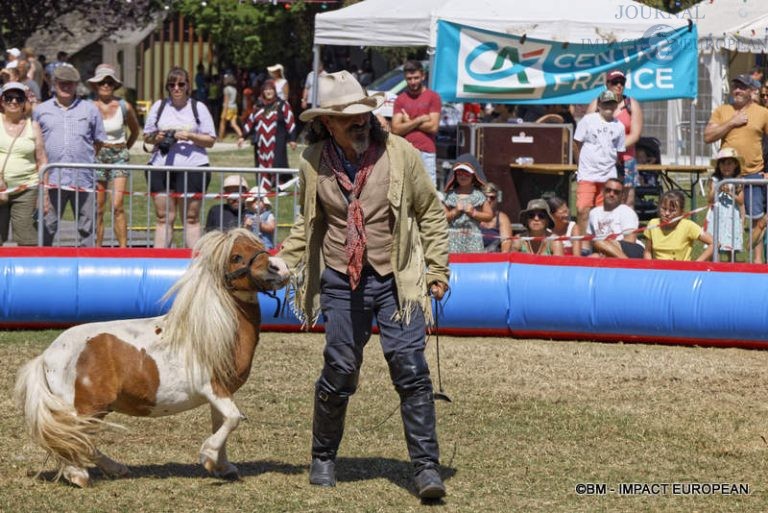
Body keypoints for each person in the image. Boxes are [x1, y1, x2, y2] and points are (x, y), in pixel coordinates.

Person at [278, 70, 450, 500]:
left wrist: (437, 269)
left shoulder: (401, 153)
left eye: (362, 114)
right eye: (348, 116)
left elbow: (430, 211)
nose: (359, 121)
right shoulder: (312, 160)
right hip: (339, 278)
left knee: (411, 370)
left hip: (395, 279)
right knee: (339, 369)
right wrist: (283, 260)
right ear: (327, 123)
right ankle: (323, 456)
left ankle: (427, 469)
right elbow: (307, 221)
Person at [143, 66, 216, 249]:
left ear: (188, 86)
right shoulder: (158, 106)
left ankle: (193, 262)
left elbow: (210, 140)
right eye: (172, 84)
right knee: (163, 218)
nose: (176, 88)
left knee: (191, 218)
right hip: (161, 166)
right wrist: (157, 137)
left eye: (181, 84)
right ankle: (159, 261)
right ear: (167, 86)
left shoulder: (198, 108)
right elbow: (147, 136)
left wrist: (190, 136)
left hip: (193, 167)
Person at [34, 65, 106, 246]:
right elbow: (36, 145)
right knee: (47, 225)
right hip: (52, 179)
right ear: (54, 84)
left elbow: (98, 141)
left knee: (87, 227)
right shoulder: (41, 110)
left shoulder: (90, 110)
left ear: (76, 85)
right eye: (62, 84)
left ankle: (88, 267)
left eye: (70, 84)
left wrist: (83, 157)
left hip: (82, 178)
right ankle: (45, 265)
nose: (66, 87)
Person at [704, 72, 768, 263]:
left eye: (742, 87)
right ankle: (721, 260)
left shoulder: (762, 112)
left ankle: (756, 262)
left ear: (751, 91)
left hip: (754, 173)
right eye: (735, 86)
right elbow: (708, 136)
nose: (737, 90)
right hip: (727, 174)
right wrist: (732, 122)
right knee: (723, 215)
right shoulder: (722, 110)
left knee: (756, 219)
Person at [88, 64, 140, 248]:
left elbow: (135, 130)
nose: (106, 85)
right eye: (102, 81)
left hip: (119, 154)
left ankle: (123, 249)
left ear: (114, 85)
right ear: (95, 85)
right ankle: (98, 248)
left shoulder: (124, 106)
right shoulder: (89, 106)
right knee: (98, 207)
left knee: (117, 205)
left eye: (109, 82)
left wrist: (125, 148)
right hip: (97, 156)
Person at [587, 70, 643, 208]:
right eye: (615, 82)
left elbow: (635, 135)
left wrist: (614, 148)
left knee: (627, 202)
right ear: (607, 84)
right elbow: (587, 131)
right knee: (602, 200)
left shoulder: (631, 104)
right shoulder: (596, 104)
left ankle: (626, 230)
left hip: (627, 161)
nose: (619, 85)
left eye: (622, 82)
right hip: (602, 161)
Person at [574, 89, 626, 238]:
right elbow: (576, 143)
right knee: (582, 209)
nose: (608, 106)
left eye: (612, 103)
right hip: (587, 174)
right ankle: (583, 245)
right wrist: (580, 165)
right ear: (599, 105)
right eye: (605, 103)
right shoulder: (588, 120)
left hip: (608, 176)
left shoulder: (619, 126)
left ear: (616, 106)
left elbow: (619, 151)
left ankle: (600, 244)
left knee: (604, 213)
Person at [0, 82, 47, 246]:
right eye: (9, 98)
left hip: (27, 189)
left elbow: (42, 160)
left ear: (24, 103)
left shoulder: (33, 126)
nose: (13, 102)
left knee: (28, 240)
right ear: (1, 101)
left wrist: (45, 195)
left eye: (18, 98)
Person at [237, 80, 297, 188]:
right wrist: (242, 136)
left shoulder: (282, 105)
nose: (268, 92)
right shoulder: (258, 107)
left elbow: (290, 122)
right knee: (262, 164)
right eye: (266, 90)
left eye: (270, 89)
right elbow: (250, 122)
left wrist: (292, 139)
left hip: (277, 141)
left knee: (277, 162)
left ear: (274, 91)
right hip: (261, 143)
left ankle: (279, 186)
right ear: (262, 92)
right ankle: (263, 187)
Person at [391, 60, 442, 186]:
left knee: (429, 190)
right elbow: (395, 129)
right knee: (406, 190)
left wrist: (408, 122)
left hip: (426, 151)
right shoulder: (400, 99)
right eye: (409, 78)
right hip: (406, 151)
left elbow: (433, 127)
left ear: (423, 76)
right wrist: (419, 120)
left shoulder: (433, 97)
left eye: (416, 78)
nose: (413, 82)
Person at [644, 190, 714, 261]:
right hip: (657, 270)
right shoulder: (653, 224)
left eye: (672, 210)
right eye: (664, 209)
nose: (667, 213)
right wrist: (649, 267)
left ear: (681, 212)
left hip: (681, 270)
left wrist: (697, 263)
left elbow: (714, 243)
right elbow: (647, 251)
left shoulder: (688, 226)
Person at [443, 154, 493, 253]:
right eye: (459, 173)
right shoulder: (450, 196)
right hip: (453, 239)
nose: (462, 176)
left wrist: (474, 213)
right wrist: (454, 212)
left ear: (473, 175)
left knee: (473, 266)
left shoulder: (478, 195)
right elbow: (441, 217)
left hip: (473, 239)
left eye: (466, 174)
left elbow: (489, 216)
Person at [586, 178, 644, 259]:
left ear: (622, 196)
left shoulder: (626, 211)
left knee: (599, 242)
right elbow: (589, 240)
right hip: (604, 250)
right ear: (603, 191)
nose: (611, 194)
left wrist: (607, 248)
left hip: (631, 249)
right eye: (608, 190)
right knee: (592, 257)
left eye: (616, 192)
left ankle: (628, 264)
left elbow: (630, 240)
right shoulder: (594, 213)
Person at [706, 147, 745, 257]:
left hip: (732, 216)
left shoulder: (738, 180)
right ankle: (716, 268)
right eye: (722, 164)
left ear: (736, 165)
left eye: (729, 164)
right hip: (717, 216)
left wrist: (730, 193)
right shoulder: (715, 179)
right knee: (715, 244)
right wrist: (717, 189)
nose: (725, 167)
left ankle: (731, 268)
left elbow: (741, 201)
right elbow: (709, 199)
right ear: (718, 165)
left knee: (731, 247)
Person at [480, 182, 513, 252]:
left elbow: (506, 243)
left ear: (497, 199)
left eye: (492, 198)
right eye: (485, 197)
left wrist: (501, 260)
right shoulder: (474, 214)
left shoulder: (502, 218)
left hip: (493, 258)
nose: (488, 200)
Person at [244, 185, 275, 250]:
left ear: (265, 203)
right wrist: (247, 226)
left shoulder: (268, 215)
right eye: (254, 200)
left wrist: (261, 225)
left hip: (265, 245)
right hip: (252, 244)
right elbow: (245, 230)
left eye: (260, 200)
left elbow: (272, 228)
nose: (256, 202)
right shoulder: (248, 215)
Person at [218, 74, 242, 140]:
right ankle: (240, 134)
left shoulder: (226, 89)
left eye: (225, 79)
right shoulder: (234, 89)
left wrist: (224, 111)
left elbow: (226, 101)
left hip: (228, 107)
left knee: (222, 122)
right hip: (234, 107)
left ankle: (220, 137)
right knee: (233, 123)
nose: (224, 80)